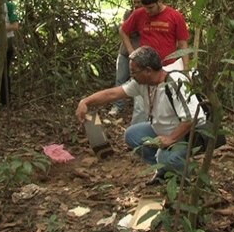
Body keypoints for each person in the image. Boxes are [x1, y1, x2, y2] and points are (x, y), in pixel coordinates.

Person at [76, 46, 206, 185]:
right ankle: (164, 172)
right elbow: (113, 94)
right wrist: (86, 101)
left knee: (166, 158)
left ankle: (182, 176)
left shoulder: (174, 81)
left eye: (134, 72)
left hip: (188, 134)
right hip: (162, 130)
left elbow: (192, 117)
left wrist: (171, 138)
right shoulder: (143, 83)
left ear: (148, 71)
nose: (132, 76)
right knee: (133, 135)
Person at [119, 0, 190, 123]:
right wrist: (131, 52)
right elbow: (123, 30)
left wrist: (186, 69)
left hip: (168, 68)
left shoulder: (175, 16)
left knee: (168, 104)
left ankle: (167, 135)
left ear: (160, 1)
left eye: (150, 8)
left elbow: (183, 44)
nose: (147, 11)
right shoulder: (140, 13)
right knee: (140, 105)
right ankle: (139, 140)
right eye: (145, 7)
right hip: (145, 69)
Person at [109, 0, 142, 117]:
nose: (137, 5)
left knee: (140, 81)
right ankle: (117, 106)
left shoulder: (148, 15)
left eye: (139, 2)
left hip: (140, 54)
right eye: (135, 3)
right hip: (124, 53)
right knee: (120, 80)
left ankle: (139, 111)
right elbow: (126, 31)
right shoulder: (128, 14)